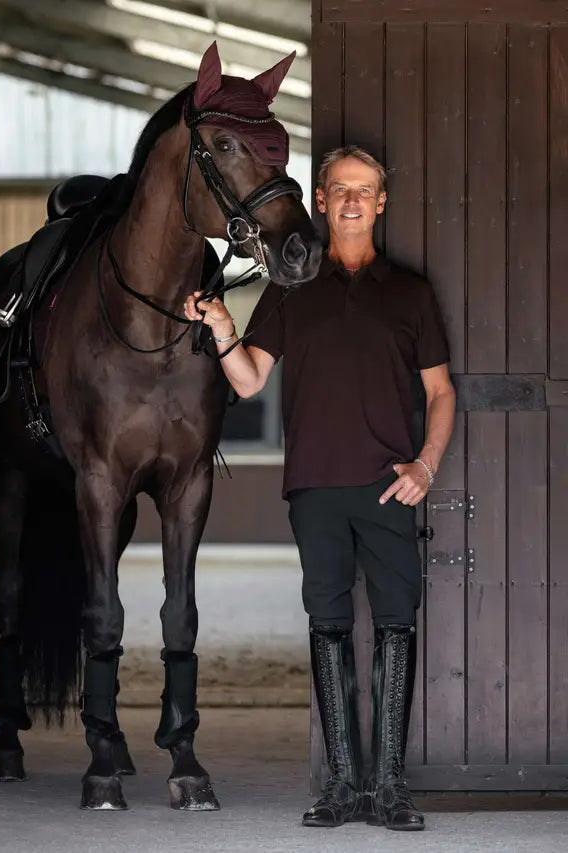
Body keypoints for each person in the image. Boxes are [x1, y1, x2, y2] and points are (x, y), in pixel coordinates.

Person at [184, 146, 456, 832]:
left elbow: (441, 392)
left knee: (396, 623)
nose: (355, 200)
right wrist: (221, 326)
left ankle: (389, 787)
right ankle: (341, 786)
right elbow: (248, 379)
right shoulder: (289, 290)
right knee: (328, 625)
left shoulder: (411, 292)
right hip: (314, 489)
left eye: (366, 190)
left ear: (381, 201)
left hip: (390, 486)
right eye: (342, 190)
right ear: (323, 200)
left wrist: (426, 463)